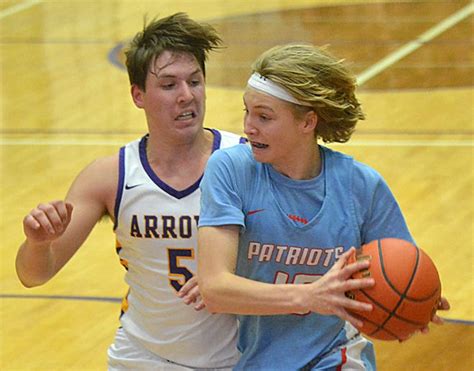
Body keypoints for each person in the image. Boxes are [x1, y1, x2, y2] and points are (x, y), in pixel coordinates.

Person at [197, 43, 450, 370]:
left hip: (338, 356)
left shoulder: (360, 185)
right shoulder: (230, 169)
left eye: (264, 116)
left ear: (308, 122)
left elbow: (400, 270)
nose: (248, 126)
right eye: (247, 112)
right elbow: (215, 289)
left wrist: (416, 299)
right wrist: (309, 296)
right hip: (257, 359)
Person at [15, 13, 245, 370]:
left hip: (239, 358)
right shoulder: (111, 176)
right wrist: (38, 243)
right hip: (142, 357)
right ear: (138, 95)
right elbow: (34, 275)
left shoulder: (246, 161)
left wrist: (229, 278)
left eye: (195, 82)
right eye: (169, 85)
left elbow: (298, 251)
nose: (187, 96)